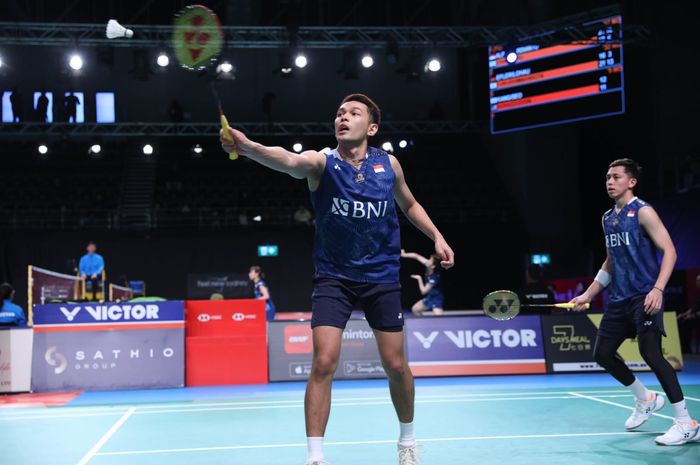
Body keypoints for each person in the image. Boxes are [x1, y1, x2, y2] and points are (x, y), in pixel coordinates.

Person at [221, 93, 454, 465]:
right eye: (340, 113)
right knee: (323, 361)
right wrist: (248, 148)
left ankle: (407, 441)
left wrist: (437, 237)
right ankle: (315, 456)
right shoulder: (322, 163)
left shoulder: (388, 165)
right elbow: (290, 161)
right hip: (334, 276)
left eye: (354, 113)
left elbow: (408, 203)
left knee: (395, 365)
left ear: (371, 127)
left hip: (380, 275)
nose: (343, 117)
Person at [570, 158, 699, 446]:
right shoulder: (607, 218)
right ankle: (646, 398)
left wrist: (658, 289)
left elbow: (670, 251)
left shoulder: (643, 212)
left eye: (616, 176)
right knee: (602, 354)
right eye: (607, 177)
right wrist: (588, 294)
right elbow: (610, 263)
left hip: (645, 295)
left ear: (631, 182)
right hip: (619, 298)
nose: (609, 181)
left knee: (651, 354)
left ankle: (686, 423)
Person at [401, 249, 444, 316]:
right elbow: (416, 256)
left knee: (439, 318)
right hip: (429, 298)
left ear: (433, 266)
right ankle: (425, 324)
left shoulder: (433, 279)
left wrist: (419, 278)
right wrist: (404, 254)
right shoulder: (428, 265)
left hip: (436, 299)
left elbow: (423, 291)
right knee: (415, 309)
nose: (427, 260)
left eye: (430, 260)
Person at [677, 274, 700, 354]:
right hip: (695, 317)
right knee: (681, 320)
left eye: (699, 281)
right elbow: (693, 309)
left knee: (686, 323)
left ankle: (686, 348)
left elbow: (696, 312)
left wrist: (694, 315)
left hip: (697, 318)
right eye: (697, 280)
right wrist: (683, 314)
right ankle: (684, 347)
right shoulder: (698, 295)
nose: (697, 282)